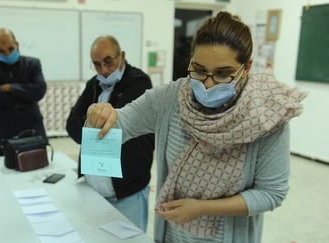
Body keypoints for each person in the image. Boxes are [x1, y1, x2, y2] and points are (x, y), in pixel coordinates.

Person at [86, 12, 306, 243]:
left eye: (223, 75)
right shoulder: (170, 99)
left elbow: (272, 193)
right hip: (172, 235)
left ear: (247, 67)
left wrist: (202, 208)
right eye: (199, 70)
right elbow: (119, 124)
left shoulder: (266, 117)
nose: (208, 85)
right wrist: (101, 116)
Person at [66, 35, 154, 231]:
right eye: (97, 65)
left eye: (108, 62)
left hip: (127, 189)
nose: (104, 70)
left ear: (121, 56)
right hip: (93, 188)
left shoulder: (138, 82)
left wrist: (92, 130)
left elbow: (116, 128)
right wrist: (97, 132)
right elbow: (72, 123)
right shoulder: (94, 84)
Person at [0, 28, 48, 157]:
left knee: (35, 172)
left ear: (17, 44)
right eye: (1, 51)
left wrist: (11, 88)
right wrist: (26, 94)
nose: (7, 54)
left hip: (31, 130)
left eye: (11, 48)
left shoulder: (32, 64)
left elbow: (38, 91)